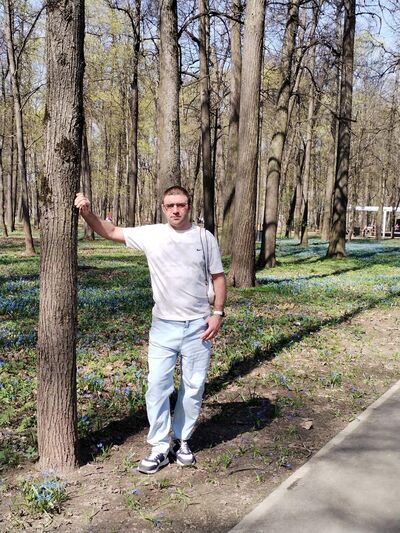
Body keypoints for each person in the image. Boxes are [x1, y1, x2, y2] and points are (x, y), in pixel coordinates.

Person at [75, 186, 226, 474]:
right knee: (157, 386)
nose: (175, 210)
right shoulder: (152, 234)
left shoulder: (204, 238)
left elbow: (218, 277)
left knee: (193, 387)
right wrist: (87, 214)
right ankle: (159, 446)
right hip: (163, 326)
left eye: (180, 204)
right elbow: (111, 231)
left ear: (189, 206)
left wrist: (217, 314)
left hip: (199, 326)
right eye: (170, 205)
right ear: (163, 207)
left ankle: (182, 440)